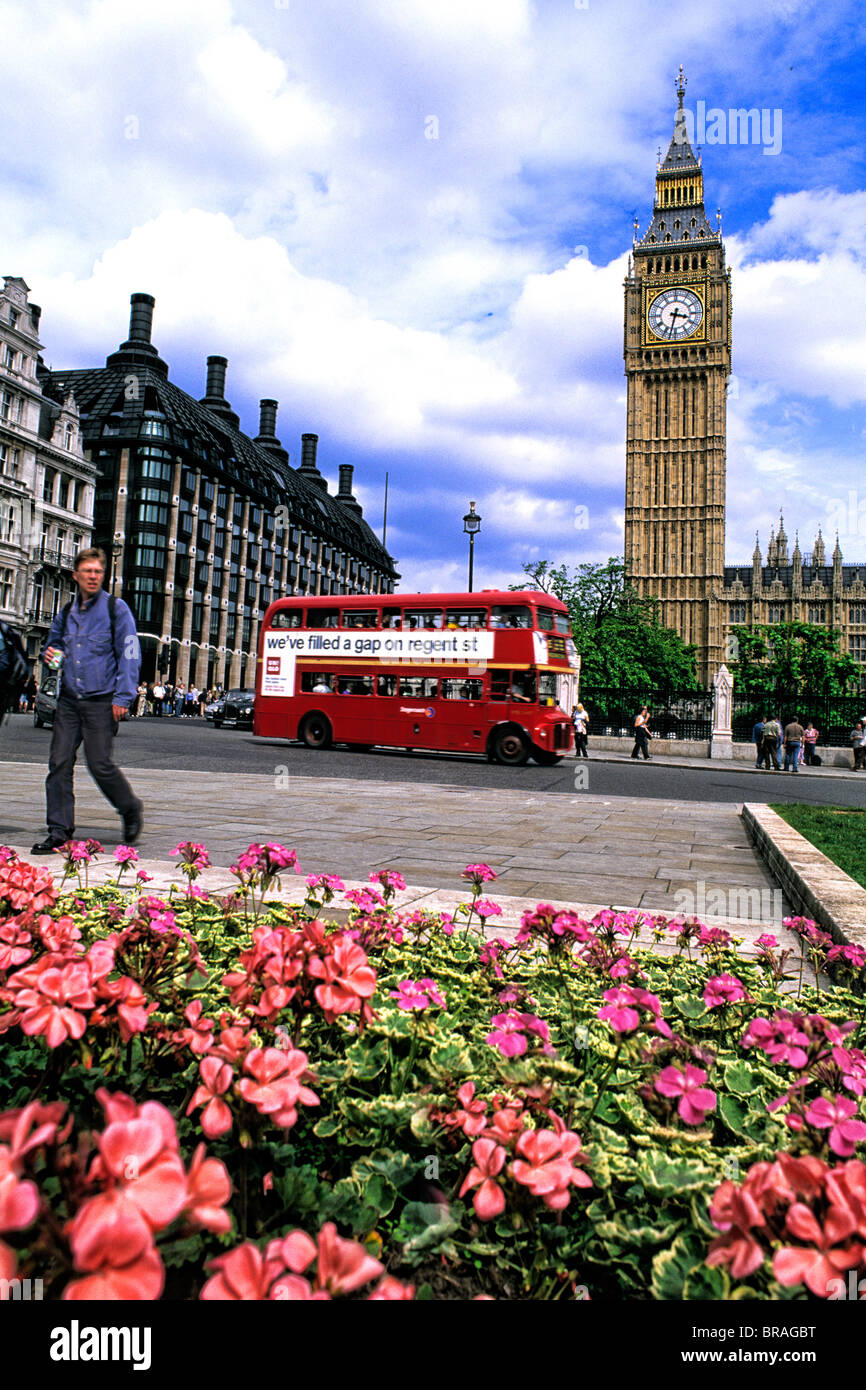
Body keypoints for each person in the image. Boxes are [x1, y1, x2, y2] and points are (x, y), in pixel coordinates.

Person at [31, 547, 142, 853]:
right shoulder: (65, 614)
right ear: (76, 575)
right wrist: (49, 655)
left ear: (103, 576)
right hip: (68, 701)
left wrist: (123, 696)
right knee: (59, 763)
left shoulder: (115, 610)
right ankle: (59, 830)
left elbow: (130, 654)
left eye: (98, 572)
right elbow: (51, 651)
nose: (93, 576)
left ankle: (129, 808)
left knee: (100, 763)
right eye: (88, 571)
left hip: (101, 701)